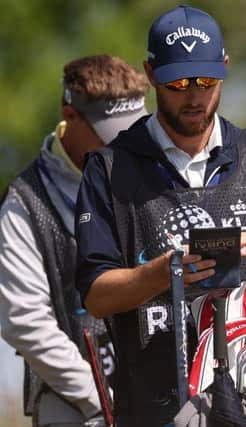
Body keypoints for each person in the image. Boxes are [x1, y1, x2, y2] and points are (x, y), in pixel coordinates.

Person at [74, 5, 246, 426]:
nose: (194, 96)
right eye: (178, 83)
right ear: (151, 73)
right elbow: (95, 296)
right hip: (156, 405)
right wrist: (165, 272)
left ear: (226, 67)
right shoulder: (110, 168)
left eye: (207, 81)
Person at [0, 55, 148, 427]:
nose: (124, 148)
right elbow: (23, 320)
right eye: (111, 135)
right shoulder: (24, 203)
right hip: (76, 409)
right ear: (71, 115)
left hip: (159, 396)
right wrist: (99, 398)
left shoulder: (152, 166)